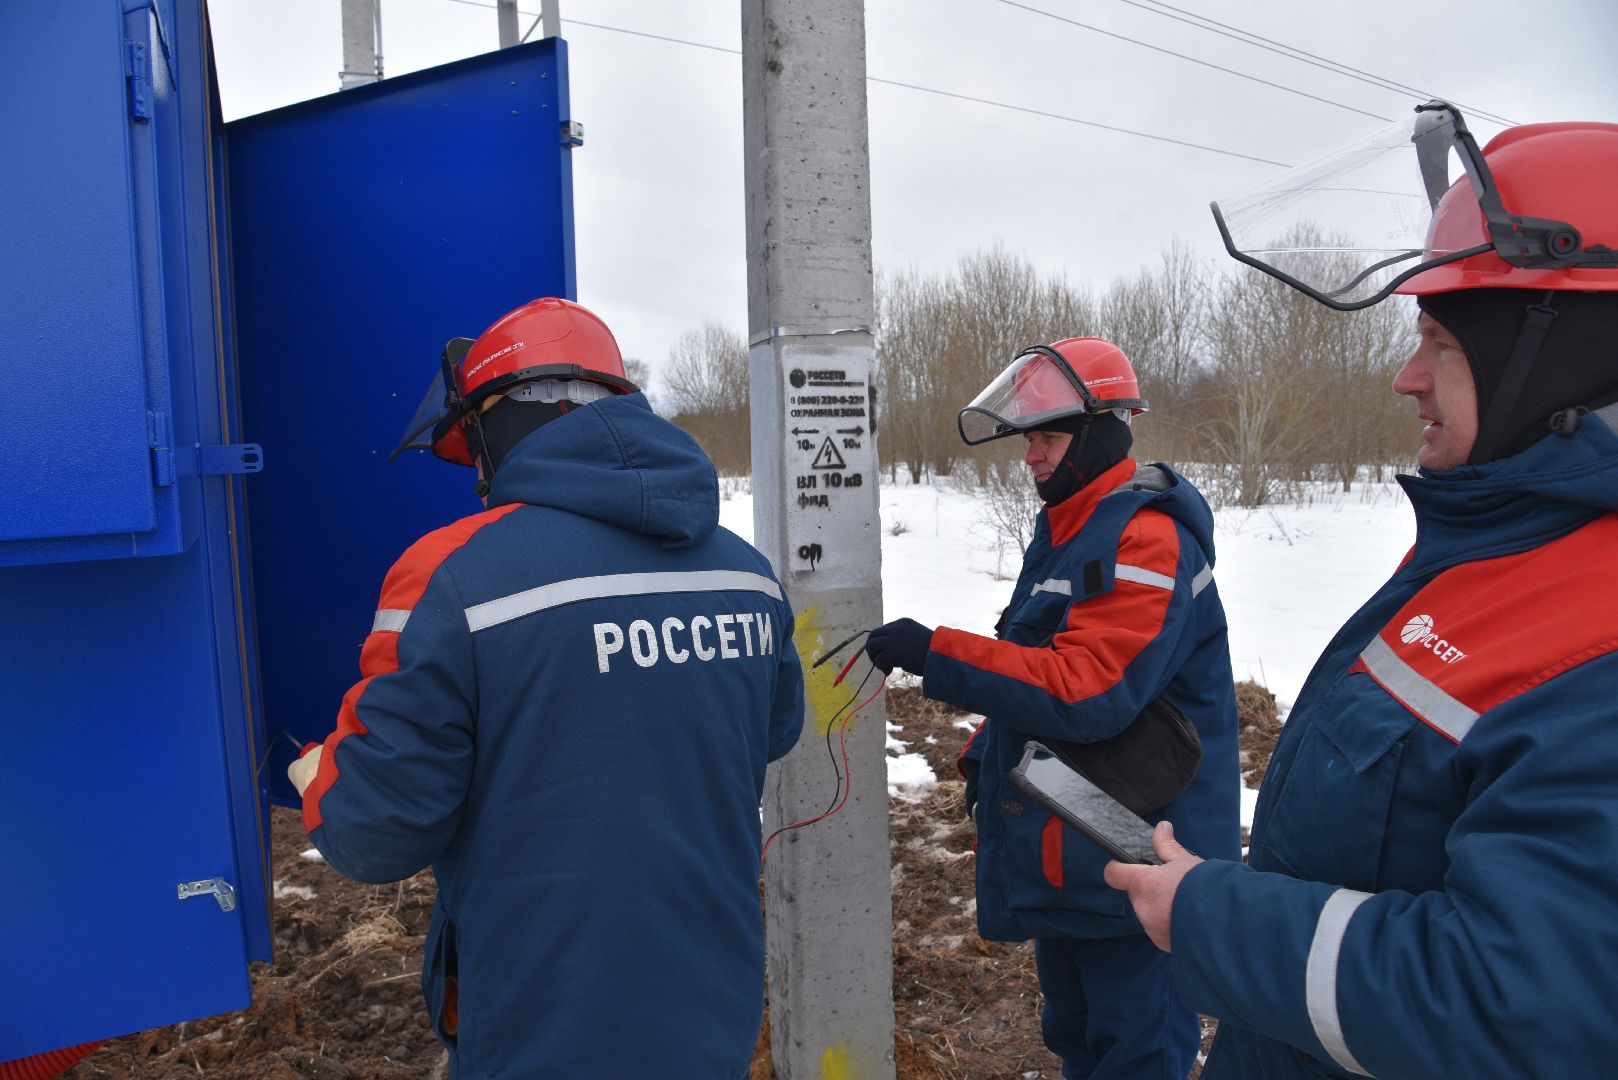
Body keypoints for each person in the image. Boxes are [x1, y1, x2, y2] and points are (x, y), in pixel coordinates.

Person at [1106, 108, 1618, 1078]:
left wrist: (1213, 915)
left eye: (1442, 341)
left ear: (1554, 356)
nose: (1404, 377)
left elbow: (1516, 1013)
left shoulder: (1595, 641)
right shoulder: (1492, 548)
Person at [286, 297, 805, 1078]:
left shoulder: (452, 573)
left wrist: (319, 774)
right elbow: (773, 730)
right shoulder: (745, 571)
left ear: (494, 422)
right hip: (713, 1004)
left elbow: (376, 831)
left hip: (543, 1020)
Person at [867, 337, 1241, 1079]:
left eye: (1047, 436)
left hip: (1140, 848)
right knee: (1077, 1033)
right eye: (1027, 439)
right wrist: (985, 753)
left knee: (1135, 1049)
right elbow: (1040, 654)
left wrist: (936, 652)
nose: (1031, 456)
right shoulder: (1071, 528)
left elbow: (1091, 688)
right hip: (1077, 840)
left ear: (1103, 427)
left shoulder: (1145, 536)